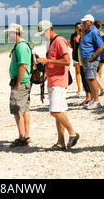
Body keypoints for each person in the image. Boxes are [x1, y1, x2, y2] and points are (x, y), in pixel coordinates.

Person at [35, 21, 80, 150]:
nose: (42, 36)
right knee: (58, 110)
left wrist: (47, 60)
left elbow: (67, 61)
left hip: (59, 81)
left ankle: (73, 133)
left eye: (43, 33)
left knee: (54, 111)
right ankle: (61, 142)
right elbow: (55, 60)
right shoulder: (50, 42)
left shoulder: (59, 40)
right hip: (52, 80)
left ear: (50, 29)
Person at [5, 23, 32, 147]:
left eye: (9, 33)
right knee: (24, 109)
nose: (8, 36)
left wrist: (18, 83)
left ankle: (22, 137)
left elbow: (23, 65)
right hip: (24, 81)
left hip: (20, 82)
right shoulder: (20, 45)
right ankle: (25, 136)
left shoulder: (21, 46)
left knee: (17, 110)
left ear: (15, 33)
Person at [79, 14, 104, 110]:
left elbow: (101, 46)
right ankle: (93, 100)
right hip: (85, 59)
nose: (83, 23)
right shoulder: (88, 31)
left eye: (85, 22)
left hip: (91, 60)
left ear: (90, 22)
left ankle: (96, 101)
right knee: (89, 79)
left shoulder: (94, 31)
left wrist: (93, 56)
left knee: (92, 79)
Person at [94, 20, 104, 96]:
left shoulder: (93, 34)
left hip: (96, 55)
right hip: (103, 55)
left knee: (94, 73)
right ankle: (99, 89)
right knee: (98, 74)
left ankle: (101, 88)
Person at [69, 22, 82, 95]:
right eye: (77, 27)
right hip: (75, 56)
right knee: (77, 72)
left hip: (82, 56)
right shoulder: (72, 35)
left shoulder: (83, 35)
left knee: (84, 72)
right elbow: (71, 46)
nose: (78, 28)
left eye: (79, 27)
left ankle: (84, 87)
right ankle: (79, 88)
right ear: (75, 28)